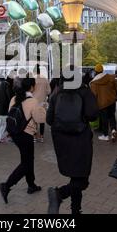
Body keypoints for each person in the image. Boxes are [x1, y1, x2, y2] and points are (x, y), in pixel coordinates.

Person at [46, 72, 99, 214]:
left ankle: (76, 210)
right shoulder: (85, 91)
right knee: (82, 179)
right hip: (81, 140)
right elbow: (92, 114)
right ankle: (60, 194)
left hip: (61, 141)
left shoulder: (56, 93)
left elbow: (49, 120)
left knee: (75, 177)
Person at [0, 78, 46, 203]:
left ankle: (31, 185)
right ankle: (7, 185)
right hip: (26, 134)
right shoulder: (33, 101)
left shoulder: (14, 98)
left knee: (27, 159)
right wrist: (43, 108)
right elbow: (40, 119)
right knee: (27, 163)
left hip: (15, 134)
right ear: (31, 87)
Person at [90, 64, 117, 141]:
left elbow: (93, 95)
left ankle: (105, 135)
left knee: (104, 118)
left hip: (102, 103)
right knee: (112, 116)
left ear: (95, 71)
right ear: (102, 70)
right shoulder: (111, 77)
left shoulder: (94, 82)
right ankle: (113, 130)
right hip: (111, 101)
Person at [33, 64, 51, 143]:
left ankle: (34, 136)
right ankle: (42, 137)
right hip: (42, 102)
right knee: (42, 119)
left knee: (34, 119)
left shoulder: (33, 79)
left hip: (33, 102)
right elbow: (49, 91)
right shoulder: (45, 79)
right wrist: (44, 93)